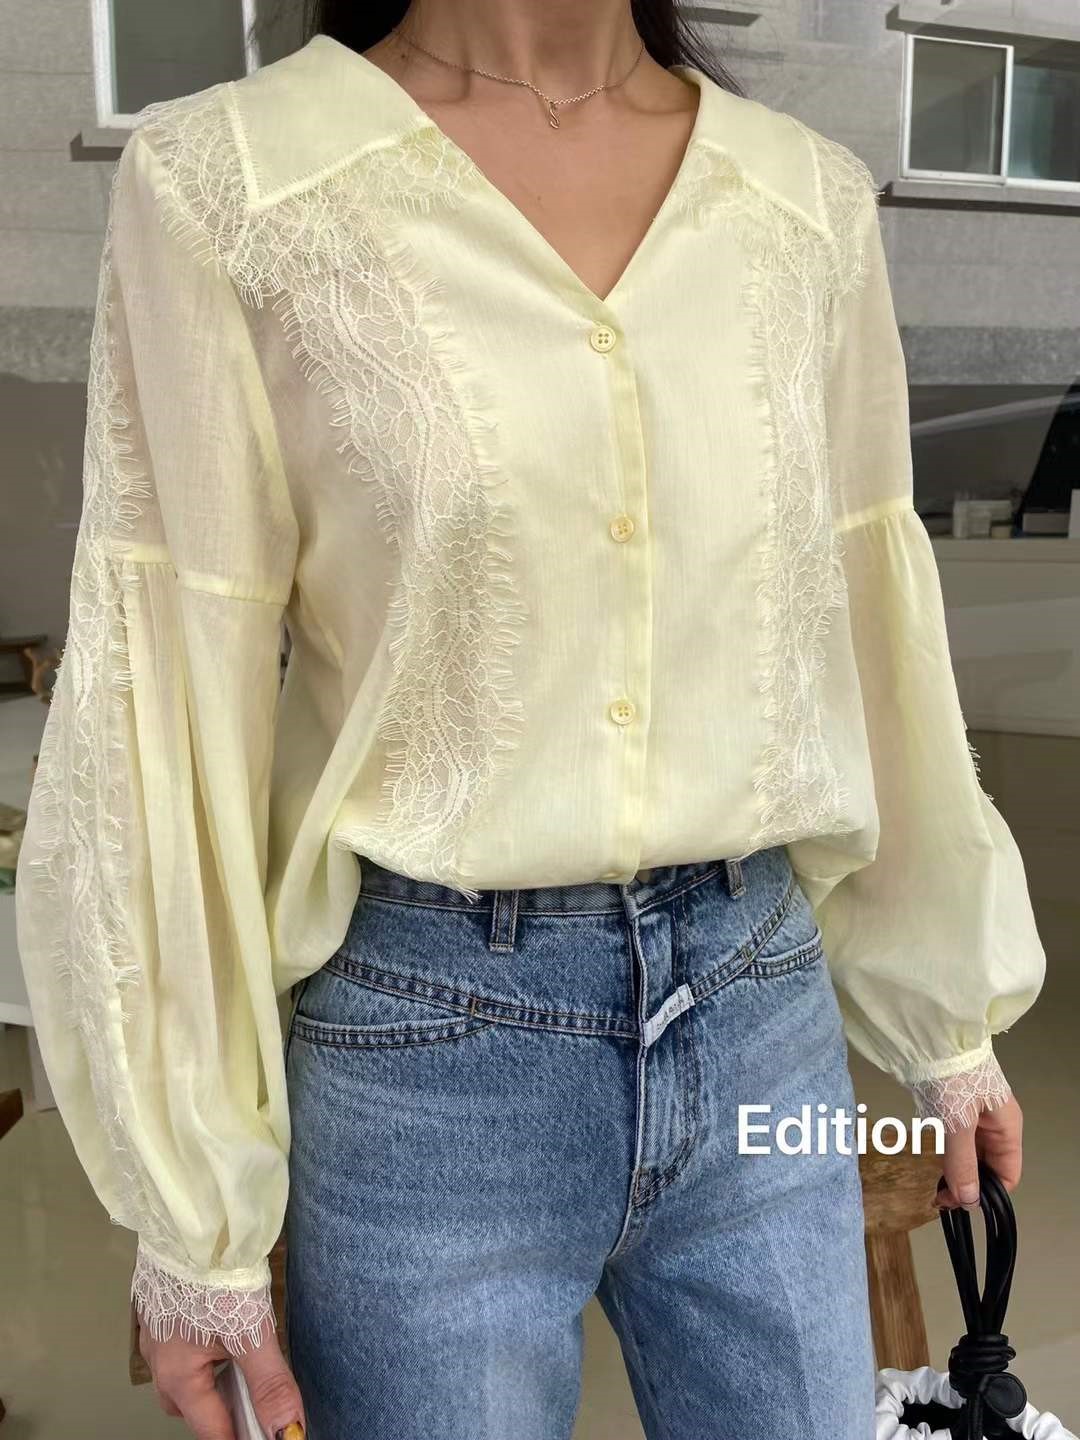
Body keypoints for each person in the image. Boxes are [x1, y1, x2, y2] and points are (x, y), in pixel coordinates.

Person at [15, 2, 1045, 1437]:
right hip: (424, 1051)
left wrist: (946, 1014)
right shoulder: (234, 184)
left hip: (763, 1017)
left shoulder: (801, 200)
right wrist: (193, 1217)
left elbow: (862, 619)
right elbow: (176, 672)